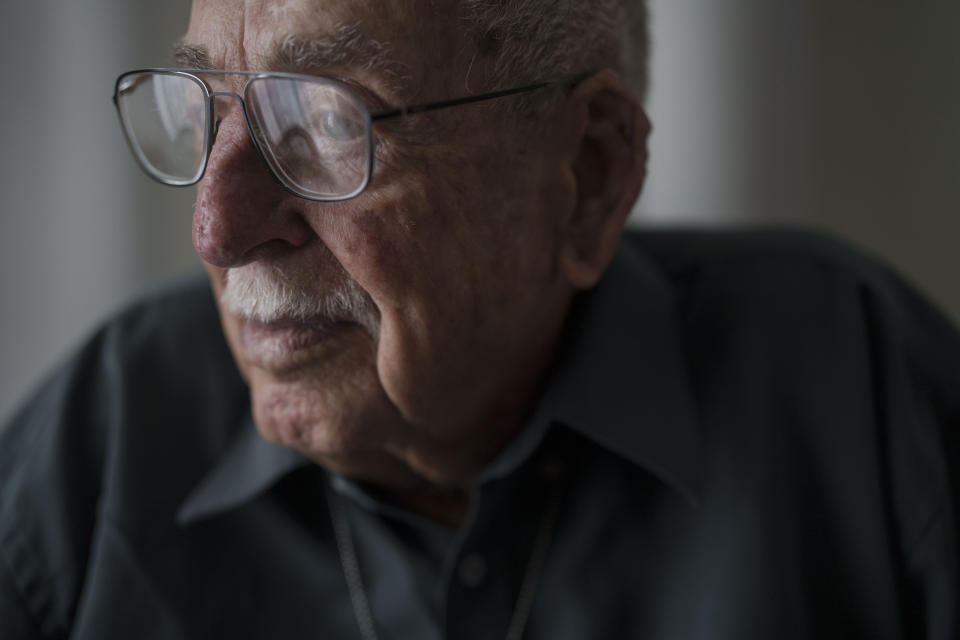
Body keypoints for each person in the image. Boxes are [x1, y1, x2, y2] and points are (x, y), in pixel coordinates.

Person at [2, 0, 958, 637]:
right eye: (203, 108)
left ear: (588, 175)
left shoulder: (861, 394)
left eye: (327, 122)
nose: (217, 230)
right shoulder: (103, 441)